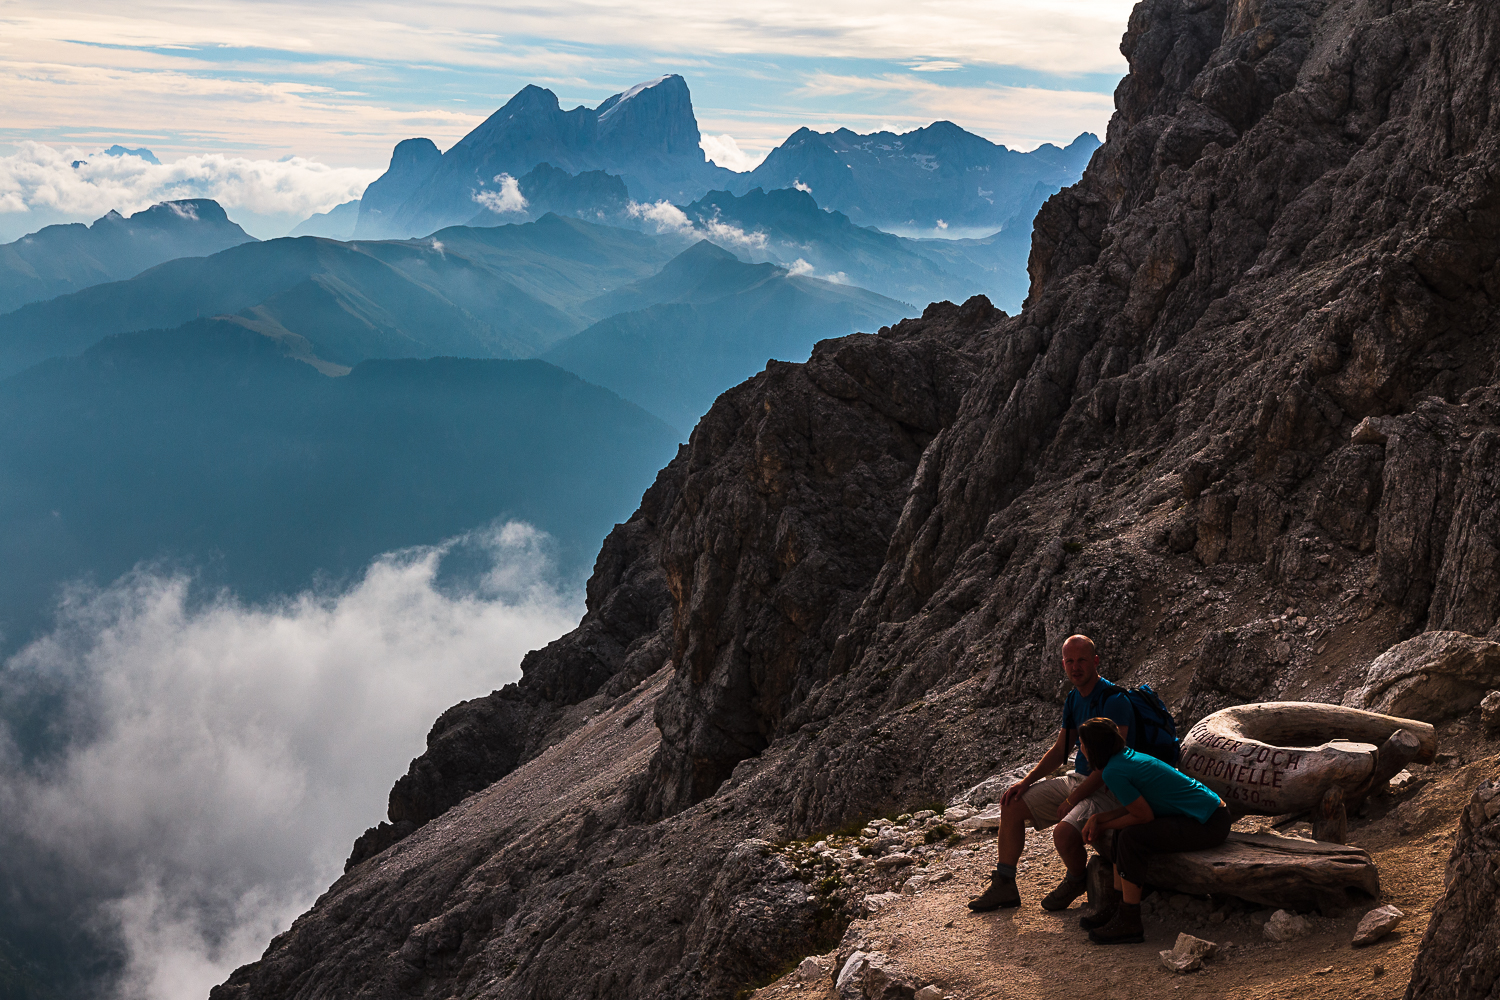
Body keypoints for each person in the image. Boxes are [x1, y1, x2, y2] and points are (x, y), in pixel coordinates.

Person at [968, 634, 1134, 912]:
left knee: (1063, 834)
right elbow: (1060, 751)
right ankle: (1005, 884)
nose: (1075, 667)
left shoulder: (1114, 699)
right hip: (1077, 779)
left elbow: (1112, 765)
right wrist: (1026, 782)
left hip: (1108, 786)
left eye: (1081, 660)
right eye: (1070, 661)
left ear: (1095, 661)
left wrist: (1073, 799)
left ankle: (1077, 879)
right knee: (1012, 804)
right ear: (1063, 664)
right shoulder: (1074, 698)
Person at [1076, 716, 1231, 944]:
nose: (1080, 749)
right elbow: (1137, 808)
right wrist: (1099, 818)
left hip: (1208, 822)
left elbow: (1143, 816)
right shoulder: (1124, 758)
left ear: (1092, 747)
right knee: (1123, 832)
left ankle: (1130, 921)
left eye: (1082, 744)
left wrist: (1104, 825)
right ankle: (1119, 907)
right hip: (1207, 815)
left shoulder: (1113, 771)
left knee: (1131, 836)